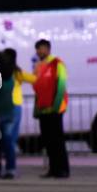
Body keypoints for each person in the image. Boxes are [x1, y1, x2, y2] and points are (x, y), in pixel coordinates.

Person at [0, 48, 34, 179]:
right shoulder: (12, 77)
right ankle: (11, 168)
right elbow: (33, 78)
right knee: (9, 142)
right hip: (10, 113)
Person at [32, 39, 70, 179]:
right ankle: (53, 169)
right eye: (37, 49)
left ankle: (63, 170)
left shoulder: (57, 63)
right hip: (43, 109)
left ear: (48, 49)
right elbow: (37, 87)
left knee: (58, 141)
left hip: (55, 109)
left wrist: (56, 105)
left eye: (41, 48)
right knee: (48, 141)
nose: (38, 51)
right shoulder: (39, 66)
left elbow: (61, 84)